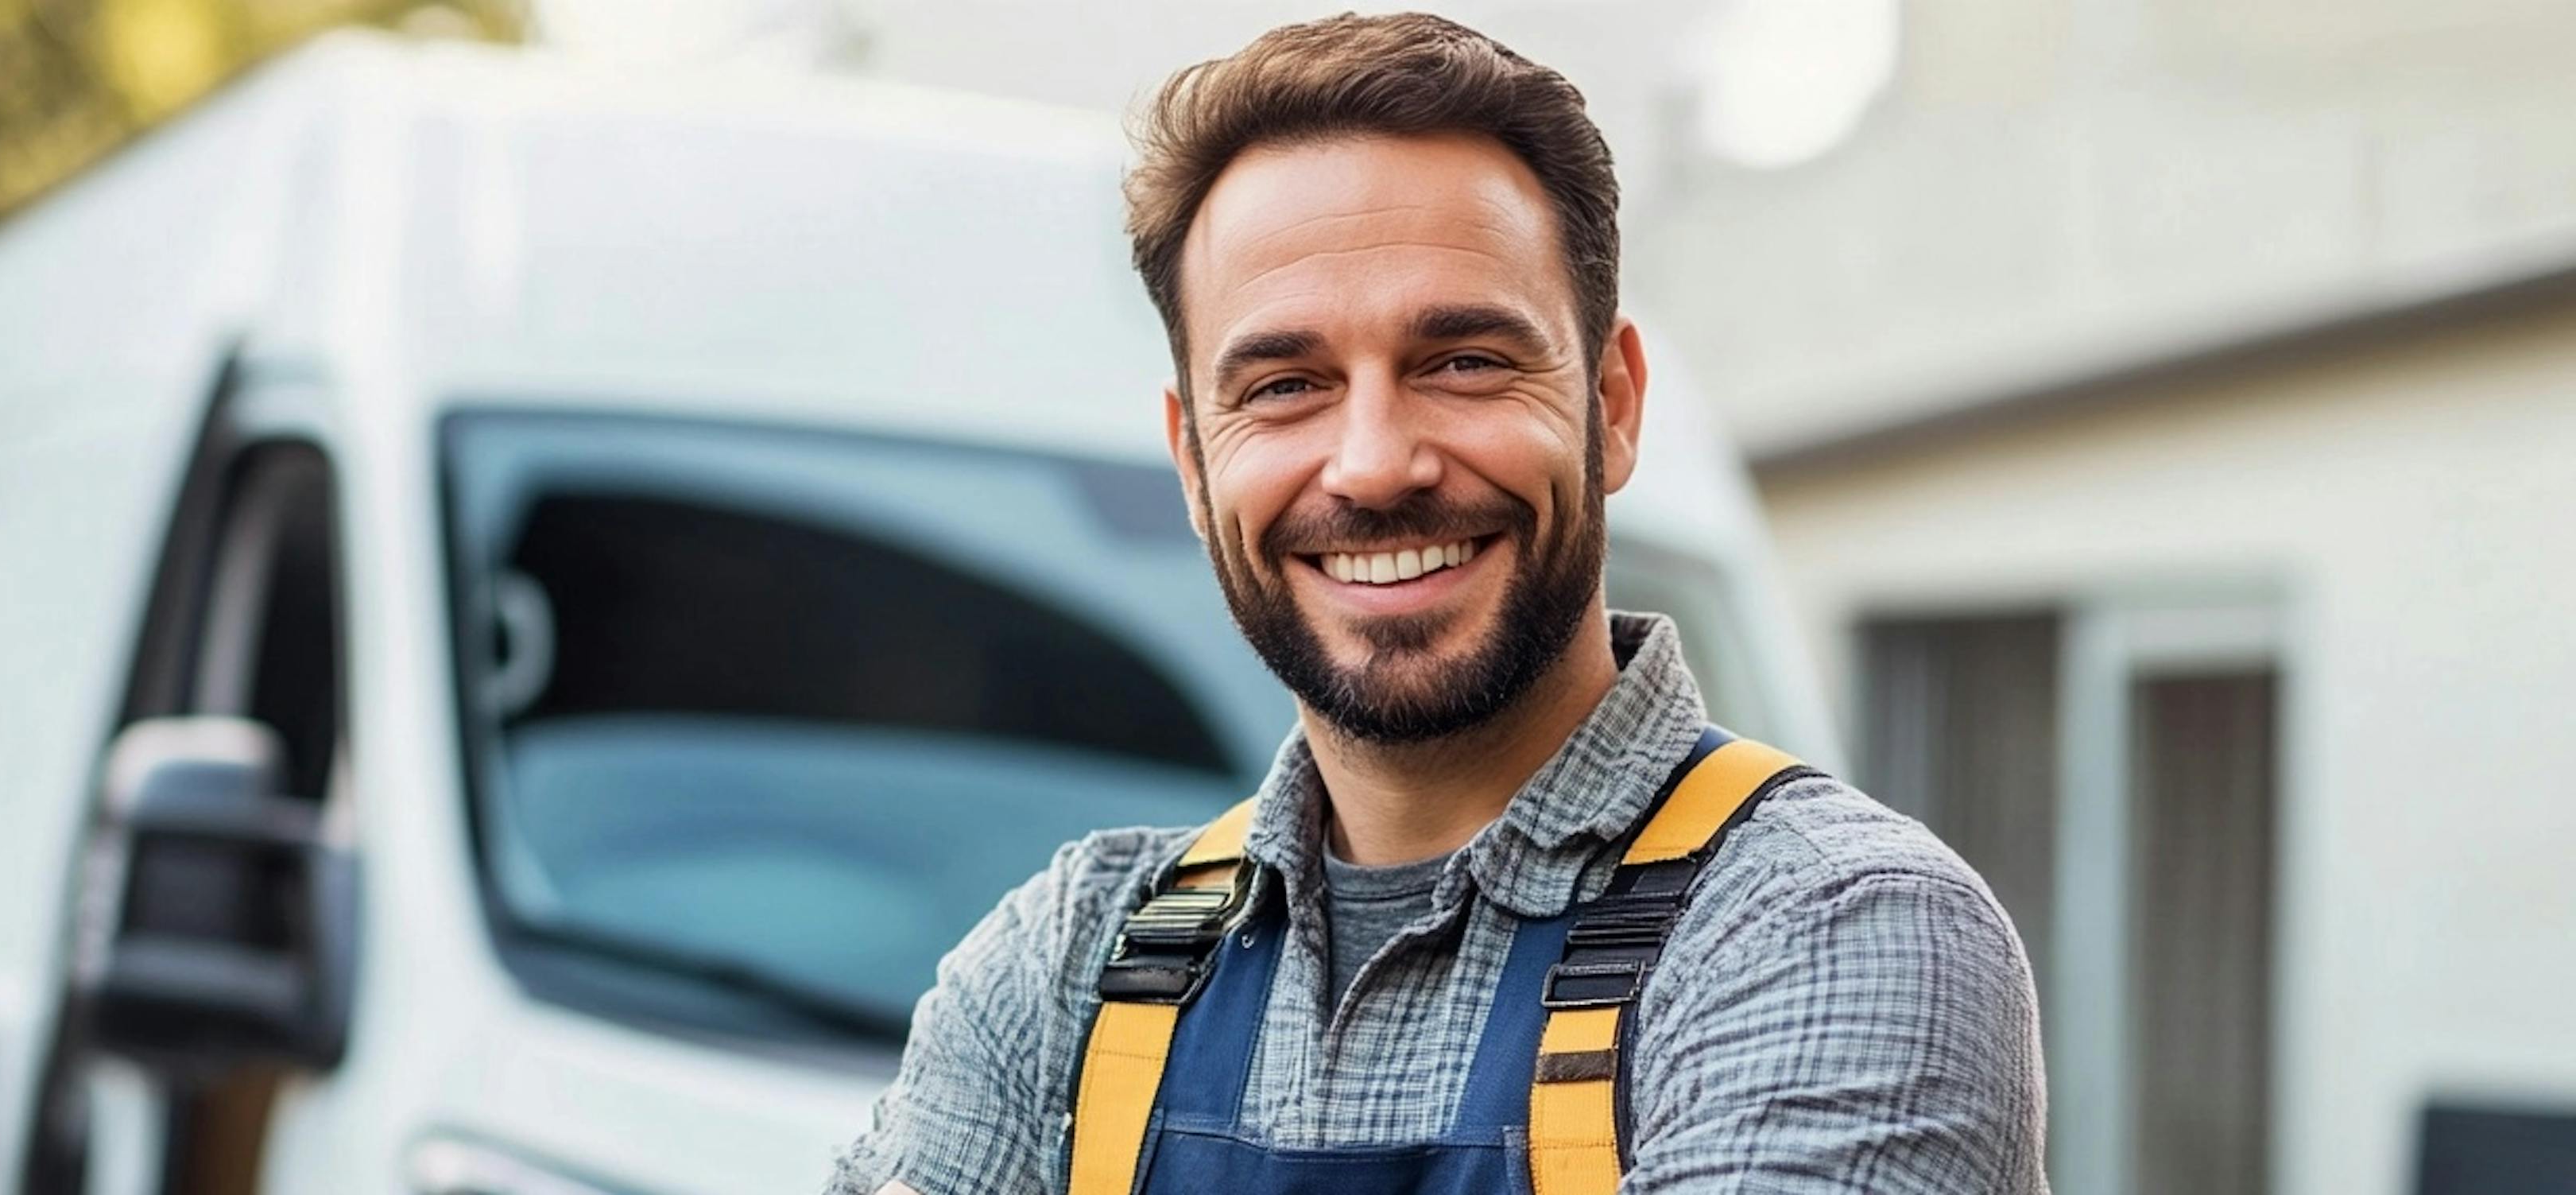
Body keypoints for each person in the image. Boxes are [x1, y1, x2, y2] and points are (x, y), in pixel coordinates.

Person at [827, 14, 2047, 1194]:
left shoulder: (1830, 929)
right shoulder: (1060, 969)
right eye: (1287, 384)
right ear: (1194, 460)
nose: (1372, 463)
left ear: (1612, 405)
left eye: (1463, 362)